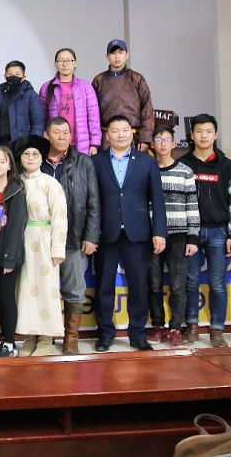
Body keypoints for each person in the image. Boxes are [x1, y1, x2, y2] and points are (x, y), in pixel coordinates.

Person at [91, 115, 167, 352]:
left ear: (131, 133)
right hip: (106, 233)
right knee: (104, 286)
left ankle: (137, 334)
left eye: (125, 130)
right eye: (115, 130)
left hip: (138, 234)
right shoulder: (96, 162)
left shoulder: (146, 161)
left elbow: (157, 200)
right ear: (107, 135)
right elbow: (91, 201)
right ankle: (105, 334)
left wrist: (160, 232)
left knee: (139, 286)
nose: (120, 135)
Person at [178, 113, 231, 347]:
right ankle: (192, 326)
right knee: (190, 281)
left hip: (219, 232)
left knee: (217, 283)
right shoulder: (183, 164)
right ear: (192, 135)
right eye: (199, 131)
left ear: (215, 135)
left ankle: (217, 330)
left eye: (208, 131)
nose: (203, 136)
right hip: (190, 233)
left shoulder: (226, 165)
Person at [41, 117, 100, 354]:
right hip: (43, 238)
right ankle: (45, 336)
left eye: (66, 132)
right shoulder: (38, 161)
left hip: (74, 235)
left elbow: (94, 201)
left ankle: (71, 338)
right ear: (47, 135)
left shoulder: (84, 163)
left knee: (74, 288)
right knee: (43, 288)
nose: (63, 137)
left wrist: (91, 236)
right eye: (57, 132)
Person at [13, 134, 68, 357]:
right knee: (26, 289)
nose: (30, 157)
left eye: (35, 154)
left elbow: (60, 217)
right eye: (26, 154)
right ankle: (29, 336)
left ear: (41, 157)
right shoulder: (16, 183)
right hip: (23, 240)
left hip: (45, 239)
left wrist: (58, 249)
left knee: (46, 289)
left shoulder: (50, 183)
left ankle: (46, 337)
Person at [148, 125, 200, 348]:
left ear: (174, 143)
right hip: (152, 236)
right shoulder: (146, 170)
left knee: (178, 286)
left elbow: (192, 205)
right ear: (152, 144)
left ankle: (176, 328)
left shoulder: (185, 171)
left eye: (167, 140)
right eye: (158, 140)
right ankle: (158, 326)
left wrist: (193, 237)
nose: (162, 144)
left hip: (179, 236)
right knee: (154, 284)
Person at [0, 147, 27, 358]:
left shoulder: (15, 190)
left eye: (2, 161)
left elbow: (17, 226)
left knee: (7, 297)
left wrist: (10, 258)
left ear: (10, 165)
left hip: (9, 254)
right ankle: (4, 340)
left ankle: (10, 344)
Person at [91, 40, 154, 152]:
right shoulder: (99, 80)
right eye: (113, 53)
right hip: (105, 139)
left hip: (133, 138)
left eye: (120, 52)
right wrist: (94, 142)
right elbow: (91, 113)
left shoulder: (137, 79)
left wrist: (145, 139)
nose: (117, 57)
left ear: (127, 55)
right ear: (107, 57)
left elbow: (147, 109)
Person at [38, 48, 101, 155]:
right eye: (61, 61)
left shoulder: (85, 87)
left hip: (81, 144)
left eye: (69, 61)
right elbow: (41, 118)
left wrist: (94, 144)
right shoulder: (46, 87)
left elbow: (93, 117)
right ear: (56, 63)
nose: (65, 64)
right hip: (55, 143)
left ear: (75, 63)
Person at [0, 60, 44, 150]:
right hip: (1, 145)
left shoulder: (31, 95)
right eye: (10, 74)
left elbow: (38, 122)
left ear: (23, 77)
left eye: (17, 74)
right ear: (5, 76)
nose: (13, 77)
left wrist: (34, 145)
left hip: (23, 145)